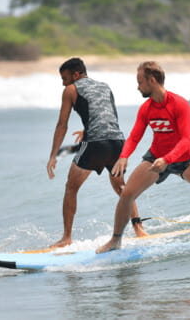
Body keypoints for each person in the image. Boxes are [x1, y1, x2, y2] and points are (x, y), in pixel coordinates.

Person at [96, 61, 190, 253]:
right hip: (155, 157)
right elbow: (135, 136)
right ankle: (115, 240)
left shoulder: (180, 104)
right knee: (127, 194)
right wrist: (124, 156)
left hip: (182, 159)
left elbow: (186, 141)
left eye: (140, 81)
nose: (137, 86)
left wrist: (168, 160)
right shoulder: (146, 108)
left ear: (152, 80)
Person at [46, 58, 148, 248]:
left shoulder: (71, 90)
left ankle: (66, 238)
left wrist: (53, 155)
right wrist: (88, 130)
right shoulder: (105, 86)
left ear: (76, 75)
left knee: (71, 188)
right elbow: (107, 116)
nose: (63, 83)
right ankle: (139, 228)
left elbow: (62, 124)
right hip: (117, 142)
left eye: (65, 78)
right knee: (121, 188)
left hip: (95, 144)